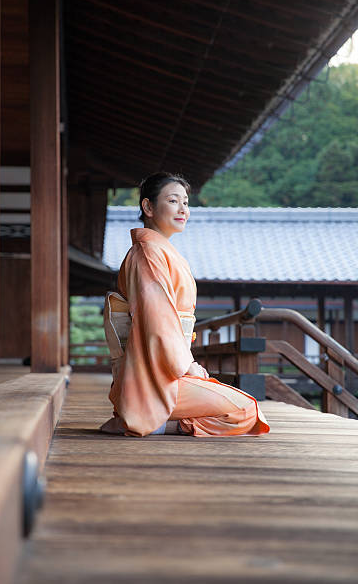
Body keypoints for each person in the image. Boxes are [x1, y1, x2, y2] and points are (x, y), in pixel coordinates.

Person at [101, 172, 270, 437]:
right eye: (173, 200)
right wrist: (187, 367)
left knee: (241, 406)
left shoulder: (158, 250)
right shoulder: (149, 253)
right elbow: (157, 321)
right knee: (246, 410)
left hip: (158, 368)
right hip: (154, 374)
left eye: (186, 202)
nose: (183, 209)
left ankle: (147, 419)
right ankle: (154, 421)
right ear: (148, 207)